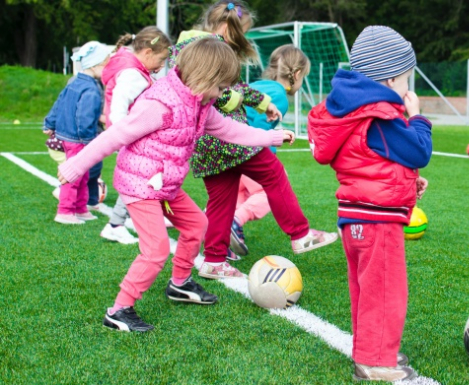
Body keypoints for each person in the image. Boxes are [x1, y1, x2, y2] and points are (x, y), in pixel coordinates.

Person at [57, 38, 295, 332]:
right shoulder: (159, 104)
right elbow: (115, 136)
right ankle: (119, 310)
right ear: (205, 77)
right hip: (140, 185)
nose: (224, 94)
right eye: (221, 87)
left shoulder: (201, 103)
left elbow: (228, 129)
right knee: (156, 250)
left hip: (165, 185)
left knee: (197, 225)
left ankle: (180, 284)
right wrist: (75, 166)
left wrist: (270, 137)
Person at [169, 0, 337, 280]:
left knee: (222, 199)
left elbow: (234, 86)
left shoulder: (192, 46)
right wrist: (237, 101)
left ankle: (213, 260)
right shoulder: (206, 49)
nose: (242, 40)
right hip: (227, 136)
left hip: (206, 143)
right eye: (241, 32)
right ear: (225, 27)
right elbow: (212, 90)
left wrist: (263, 103)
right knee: (273, 173)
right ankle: (300, 234)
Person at [307, 26, 433, 382]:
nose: (408, 88)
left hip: (356, 216)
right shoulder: (379, 116)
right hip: (377, 222)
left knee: (366, 290)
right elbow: (418, 149)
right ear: (391, 78)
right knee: (384, 291)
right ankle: (375, 361)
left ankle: (371, 349)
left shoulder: (353, 112)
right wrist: (418, 117)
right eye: (407, 79)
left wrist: (408, 182)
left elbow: (370, 160)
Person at [229, 44, 312, 258]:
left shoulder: (259, 85)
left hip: (227, 149)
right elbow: (257, 130)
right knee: (269, 191)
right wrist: (274, 139)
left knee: (236, 195)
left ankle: (216, 228)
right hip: (246, 152)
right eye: (304, 77)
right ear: (296, 74)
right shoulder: (280, 97)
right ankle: (235, 222)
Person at [98, 26, 172, 245]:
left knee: (147, 177)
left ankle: (128, 220)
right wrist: (125, 133)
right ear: (147, 53)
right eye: (160, 60)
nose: (161, 67)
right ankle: (115, 224)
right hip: (132, 138)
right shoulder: (133, 75)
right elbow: (119, 106)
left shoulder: (132, 68)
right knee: (139, 180)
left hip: (132, 136)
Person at [44, 41, 111, 225]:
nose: (108, 69)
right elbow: (85, 117)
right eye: (106, 64)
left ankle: (80, 208)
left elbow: (59, 101)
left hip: (69, 136)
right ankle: (65, 211)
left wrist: (49, 122)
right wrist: (89, 140)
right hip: (79, 139)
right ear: (96, 65)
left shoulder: (74, 81)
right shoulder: (91, 89)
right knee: (75, 175)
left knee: (83, 174)